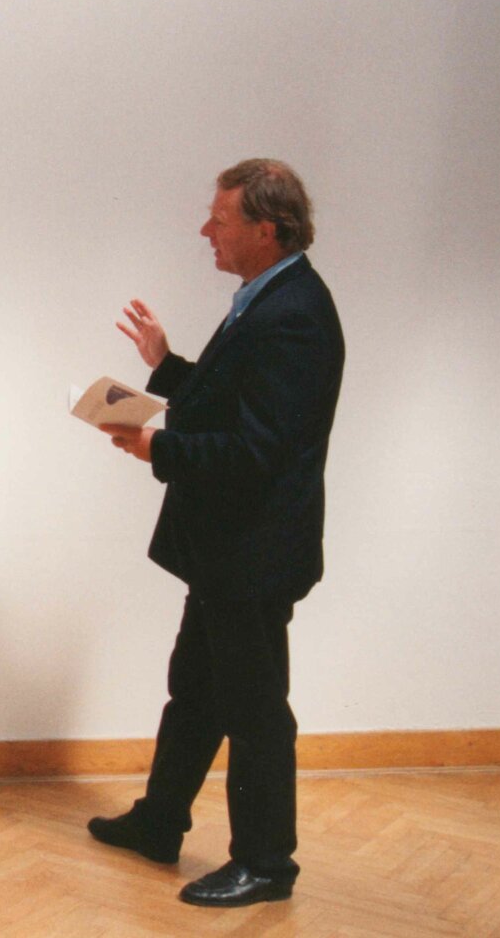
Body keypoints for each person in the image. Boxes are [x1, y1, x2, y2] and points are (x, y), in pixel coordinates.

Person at [92, 158, 344, 907]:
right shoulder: (268, 297)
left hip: (254, 554)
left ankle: (266, 864)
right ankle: (161, 821)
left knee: (254, 710)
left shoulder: (295, 315)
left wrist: (158, 447)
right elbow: (240, 400)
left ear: (266, 229)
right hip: (228, 550)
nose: (207, 229)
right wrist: (165, 366)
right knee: (196, 691)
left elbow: (257, 451)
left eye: (221, 219)